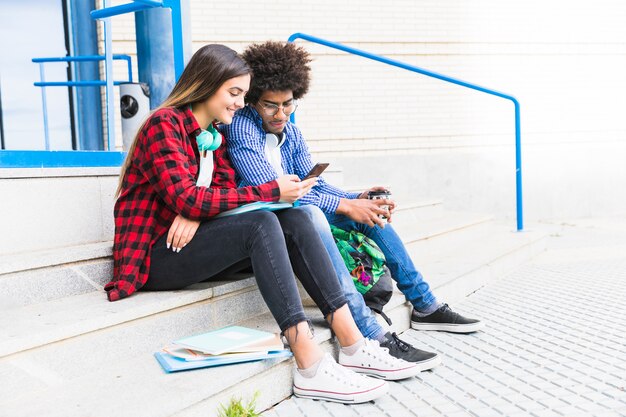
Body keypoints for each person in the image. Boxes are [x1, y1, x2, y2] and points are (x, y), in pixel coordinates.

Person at [105, 44, 428, 404]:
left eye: (242, 94)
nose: (240, 104)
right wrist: (202, 202)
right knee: (261, 220)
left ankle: (352, 342)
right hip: (154, 256)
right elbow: (189, 197)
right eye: (234, 93)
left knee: (294, 216)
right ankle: (309, 364)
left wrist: (194, 207)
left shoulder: (211, 134)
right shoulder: (162, 125)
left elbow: (216, 191)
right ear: (205, 85)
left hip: (189, 243)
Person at [226, 41, 484, 349]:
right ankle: (366, 330)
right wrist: (346, 206)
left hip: (298, 211)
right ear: (254, 99)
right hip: (267, 221)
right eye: (271, 105)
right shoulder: (243, 128)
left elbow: (314, 184)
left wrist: (359, 197)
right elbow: (273, 193)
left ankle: (425, 304)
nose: (281, 114)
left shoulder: (291, 132)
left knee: (370, 215)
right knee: (320, 216)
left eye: (288, 104)